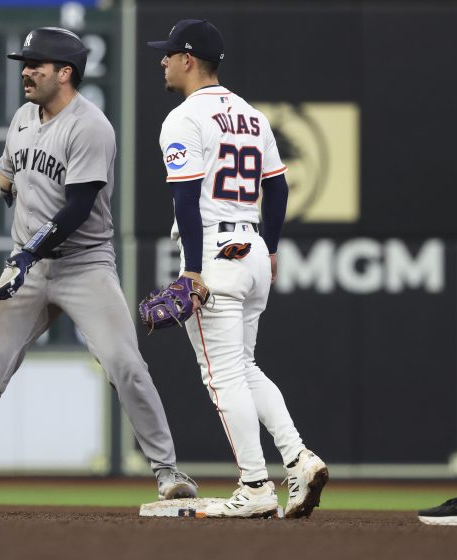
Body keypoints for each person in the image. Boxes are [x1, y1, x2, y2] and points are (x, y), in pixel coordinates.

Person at [0, 27, 198, 513]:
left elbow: (76, 210)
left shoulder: (90, 126)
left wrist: (26, 254)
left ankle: (167, 473)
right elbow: (1, 178)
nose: (26, 71)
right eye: (25, 63)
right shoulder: (24, 118)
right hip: (27, 265)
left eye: (36, 64)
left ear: (65, 73)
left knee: (126, 365)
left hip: (84, 265)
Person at [145, 19, 328, 518]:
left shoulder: (184, 118)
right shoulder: (251, 115)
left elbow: (185, 196)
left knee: (221, 375)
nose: (162, 60)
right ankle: (299, 458)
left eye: (168, 54)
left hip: (215, 254)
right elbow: (280, 186)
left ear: (188, 59)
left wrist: (194, 271)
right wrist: (269, 246)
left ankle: (255, 486)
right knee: (244, 368)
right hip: (251, 249)